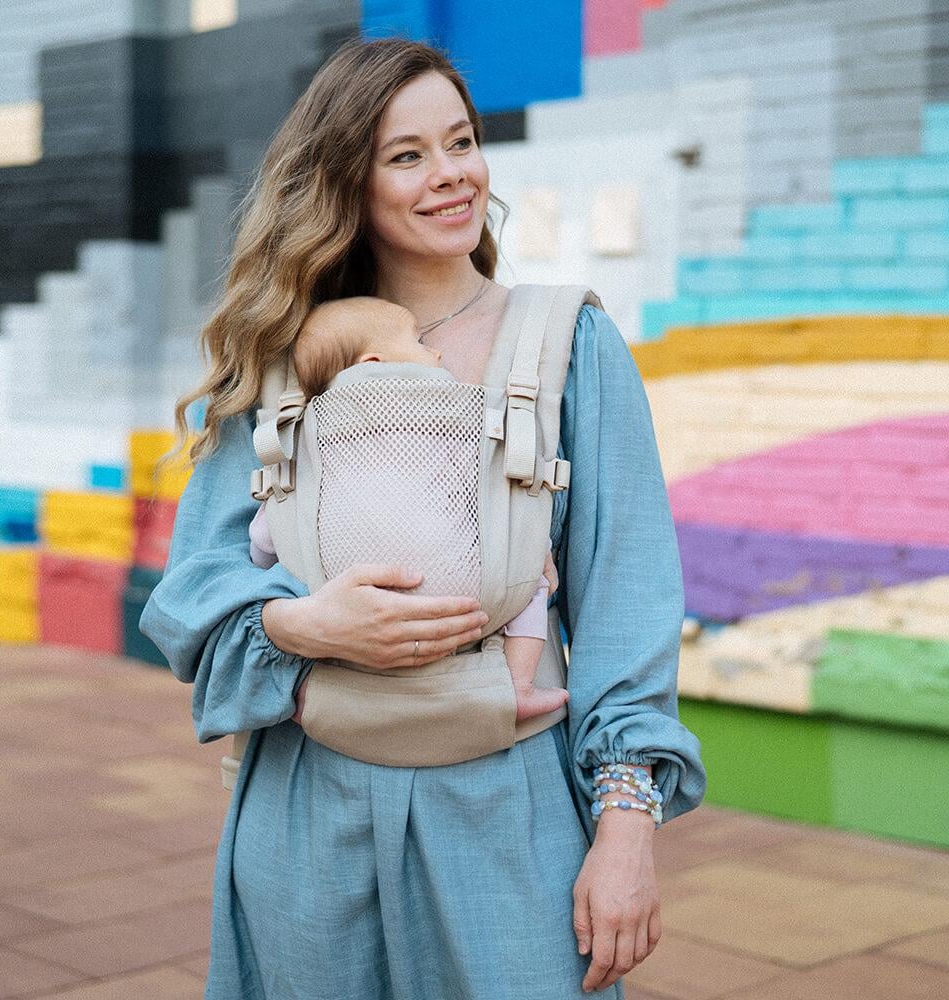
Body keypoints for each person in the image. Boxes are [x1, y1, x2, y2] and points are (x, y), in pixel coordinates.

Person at [140, 36, 706, 999]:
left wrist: (623, 833)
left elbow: (627, 603)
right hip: (307, 807)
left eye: (461, 142)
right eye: (407, 156)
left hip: (511, 806)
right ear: (345, 182)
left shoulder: (572, 343)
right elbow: (195, 583)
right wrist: (300, 625)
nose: (451, 177)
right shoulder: (288, 354)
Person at [247, 294, 569, 724]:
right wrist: (532, 545)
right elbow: (488, 496)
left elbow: (268, 534)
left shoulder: (311, 440)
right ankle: (518, 685)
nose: (434, 352)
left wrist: (266, 563)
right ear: (374, 363)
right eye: (418, 341)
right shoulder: (446, 419)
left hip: (345, 597)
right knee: (534, 583)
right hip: (466, 595)